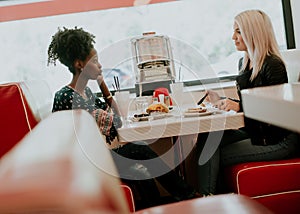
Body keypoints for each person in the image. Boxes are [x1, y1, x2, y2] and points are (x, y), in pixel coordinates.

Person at [47, 27, 200, 209]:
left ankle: (162, 206)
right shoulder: (66, 96)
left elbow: (117, 118)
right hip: (83, 163)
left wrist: (101, 83)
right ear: (80, 64)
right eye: (95, 61)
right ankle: (189, 196)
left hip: (96, 156)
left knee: (143, 169)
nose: (100, 65)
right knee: (140, 150)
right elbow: (110, 122)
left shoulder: (86, 92)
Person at [194, 10, 299, 195]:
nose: (233, 37)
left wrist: (240, 106)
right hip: (257, 132)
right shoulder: (245, 64)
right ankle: (213, 199)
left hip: (278, 140)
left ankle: (210, 200)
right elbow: (250, 101)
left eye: (238, 31)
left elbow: (277, 111)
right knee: (208, 138)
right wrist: (222, 101)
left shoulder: (272, 64)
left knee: (215, 155)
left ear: (252, 32)